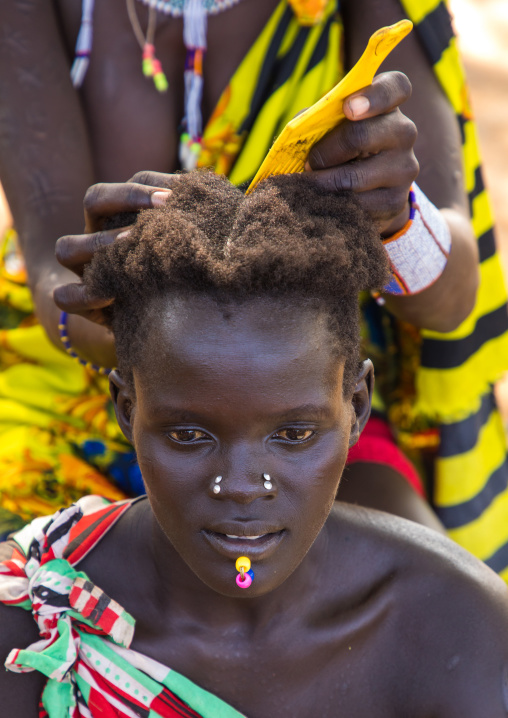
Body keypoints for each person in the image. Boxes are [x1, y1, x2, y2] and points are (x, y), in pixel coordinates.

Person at [0, 0, 507, 573]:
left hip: (305, 388)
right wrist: (114, 303)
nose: (240, 487)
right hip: (73, 382)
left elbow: (452, 300)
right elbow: (50, 263)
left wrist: (399, 222)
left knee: (422, 596)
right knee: (32, 598)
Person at [1, 171, 508, 717]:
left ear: (357, 405)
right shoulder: (33, 624)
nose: (241, 486)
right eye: (189, 435)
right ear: (128, 410)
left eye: (293, 435)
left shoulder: (454, 629)